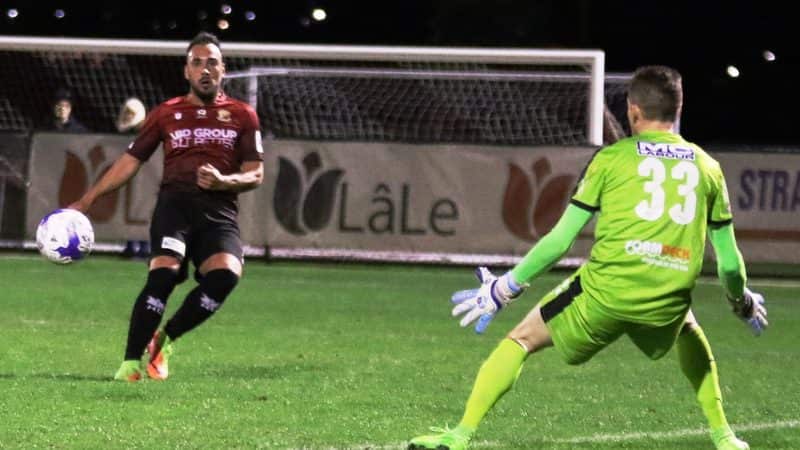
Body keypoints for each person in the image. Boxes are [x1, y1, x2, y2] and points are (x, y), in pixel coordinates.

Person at [408, 66, 768, 450]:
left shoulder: (611, 160)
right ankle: (725, 437)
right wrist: (742, 302)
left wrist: (504, 288)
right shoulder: (707, 168)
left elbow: (560, 239)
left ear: (632, 111)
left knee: (521, 339)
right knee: (688, 328)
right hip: (666, 298)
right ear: (679, 109)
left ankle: (460, 435)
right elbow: (730, 264)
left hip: (604, 294)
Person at [69, 32, 264, 382]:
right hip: (174, 209)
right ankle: (129, 363)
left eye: (212, 63)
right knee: (164, 275)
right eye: (197, 63)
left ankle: (166, 338)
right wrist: (87, 200)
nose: (206, 69)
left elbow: (256, 174)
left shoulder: (243, 115)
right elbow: (129, 161)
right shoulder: (167, 113)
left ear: (224, 70)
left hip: (218, 214)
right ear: (186, 71)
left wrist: (224, 181)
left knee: (226, 277)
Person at [115, 97, 151, 259]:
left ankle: (145, 245)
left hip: (146, 177)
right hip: (130, 175)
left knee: (143, 210)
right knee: (129, 209)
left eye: (131, 114)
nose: (128, 117)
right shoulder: (126, 133)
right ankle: (131, 244)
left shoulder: (148, 130)